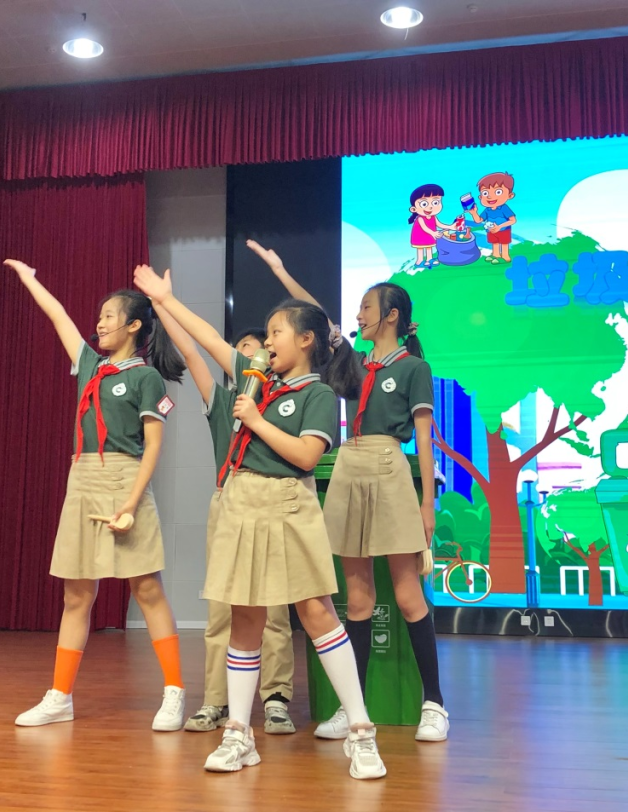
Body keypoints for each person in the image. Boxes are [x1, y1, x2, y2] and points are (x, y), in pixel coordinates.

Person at [133, 263, 386, 780]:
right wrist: (164, 300)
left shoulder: (317, 394)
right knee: (244, 618)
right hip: (240, 503)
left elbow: (306, 455)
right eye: (266, 335)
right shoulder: (255, 381)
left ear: (307, 340)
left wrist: (254, 421)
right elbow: (206, 340)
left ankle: (361, 731)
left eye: (276, 333)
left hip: (289, 504)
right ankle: (238, 734)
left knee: (316, 612)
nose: (266, 343)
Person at [4, 259, 187, 732]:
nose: (100, 323)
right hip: (82, 480)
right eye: (99, 316)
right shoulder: (89, 364)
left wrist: (132, 501)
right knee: (76, 595)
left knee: (147, 589)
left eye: (109, 316)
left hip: (126, 480)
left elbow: (154, 446)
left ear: (133, 325)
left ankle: (173, 692)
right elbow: (58, 316)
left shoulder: (146, 377)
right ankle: (60, 696)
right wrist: (30, 280)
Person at [151, 308, 297, 736]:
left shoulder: (281, 400)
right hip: (227, 500)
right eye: (240, 351)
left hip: (270, 498)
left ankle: (276, 698)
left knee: (274, 609)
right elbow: (193, 352)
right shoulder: (221, 401)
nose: (247, 356)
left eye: (255, 349)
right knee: (221, 608)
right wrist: (162, 304)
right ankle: (216, 699)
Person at [316, 281, 450, 743]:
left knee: (409, 595)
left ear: (391, 315)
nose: (358, 316)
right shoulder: (354, 363)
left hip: (390, 466)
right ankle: (352, 710)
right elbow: (318, 314)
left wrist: (427, 502)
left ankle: (434, 705)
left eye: (366, 307)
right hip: (349, 466)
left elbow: (425, 439)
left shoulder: (414, 367)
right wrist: (277, 268)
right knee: (357, 600)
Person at [467, 172, 516, 264]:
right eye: (485, 193)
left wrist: (499, 227)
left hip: (503, 230)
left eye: (498, 192)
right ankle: (496, 255)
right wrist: (474, 213)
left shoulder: (504, 208)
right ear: (480, 197)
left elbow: (513, 220)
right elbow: (479, 220)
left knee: (504, 244)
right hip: (491, 230)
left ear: (510, 195)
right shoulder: (487, 210)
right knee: (495, 243)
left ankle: (505, 257)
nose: (490, 196)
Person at [407, 184, 454, 270]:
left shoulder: (433, 217)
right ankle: (419, 261)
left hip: (429, 236)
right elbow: (424, 228)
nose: (430, 207)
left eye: (435, 202)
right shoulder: (420, 218)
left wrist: (451, 227)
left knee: (429, 247)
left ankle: (429, 259)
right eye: (424, 204)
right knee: (420, 249)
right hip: (420, 236)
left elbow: (440, 224)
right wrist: (433, 233)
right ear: (414, 209)